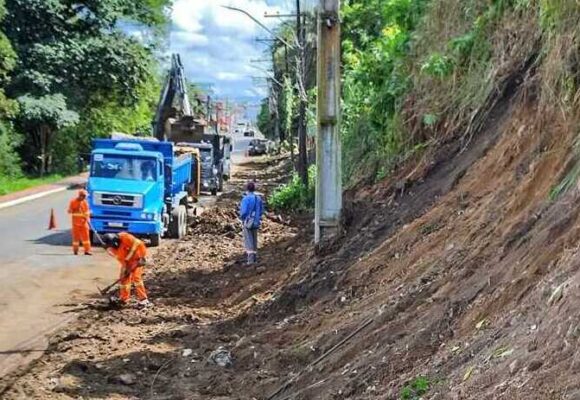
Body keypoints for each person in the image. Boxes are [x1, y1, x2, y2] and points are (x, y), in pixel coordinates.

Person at [102, 232, 151, 308]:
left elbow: (139, 244)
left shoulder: (125, 237)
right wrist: (126, 269)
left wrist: (142, 257)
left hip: (138, 259)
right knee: (124, 279)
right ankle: (124, 299)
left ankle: (144, 300)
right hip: (127, 262)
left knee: (136, 278)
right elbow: (122, 260)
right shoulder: (112, 250)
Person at [239, 181, 263, 265]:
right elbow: (261, 211)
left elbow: (243, 212)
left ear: (247, 189)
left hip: (248, 222)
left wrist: (242, 218)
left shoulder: (245, 199)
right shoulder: (258, 198)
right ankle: (255, 258)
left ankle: (250, 260)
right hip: (256, 222)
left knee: (248, 240)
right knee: (254, 239)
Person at [68, 189, 92, 256]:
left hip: (84, 223)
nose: (84, 197)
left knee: (86, 238)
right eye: (84, 196)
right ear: (80, 196)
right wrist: (74, 209)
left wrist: (88, 218)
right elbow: (69, 211)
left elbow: (87, 212)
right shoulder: (73, 202)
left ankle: (87, 251)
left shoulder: (85, 203)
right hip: (76, 223)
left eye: (85, 196)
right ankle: (75, 251)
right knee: (76, 238)